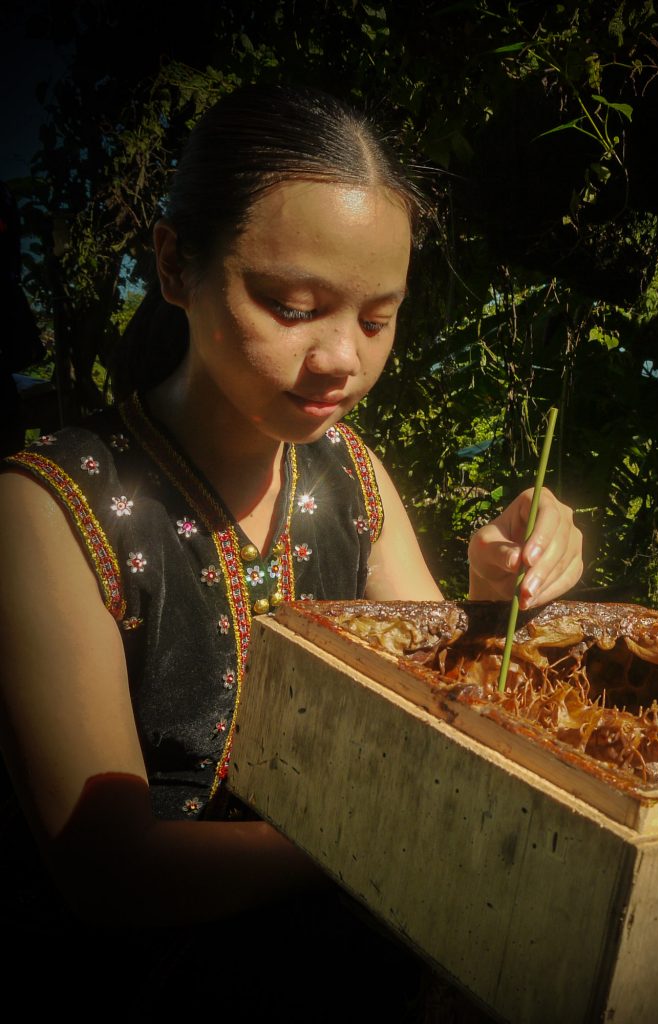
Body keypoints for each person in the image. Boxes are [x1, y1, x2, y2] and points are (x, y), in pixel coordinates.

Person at [0, 83, 583, 931]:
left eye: (379, 320)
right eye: (293, 309)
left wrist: (495, 600)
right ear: (174, 265)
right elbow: (112, 873)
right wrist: (395, 840)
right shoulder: (47, 511)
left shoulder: (346, 472)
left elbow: (445, 711)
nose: (341, 359)